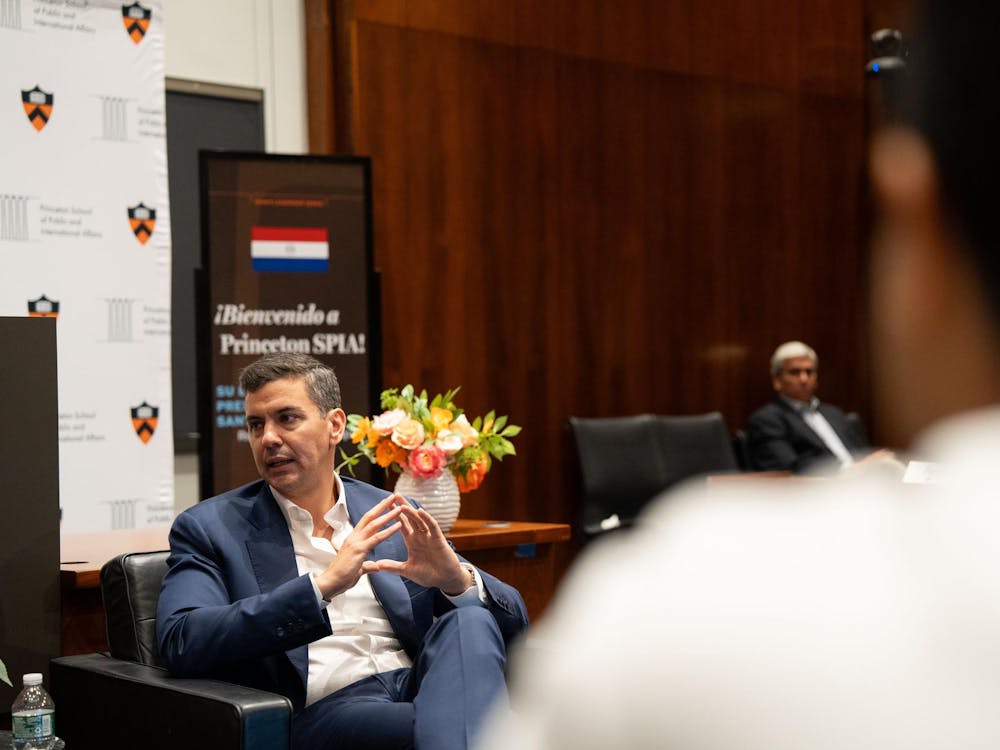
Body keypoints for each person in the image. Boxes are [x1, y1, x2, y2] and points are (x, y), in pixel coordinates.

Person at [476, 1, 1000, 747]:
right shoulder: (768, 440)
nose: (807, 377)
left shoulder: (694, 605)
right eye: (797, 369)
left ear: (914, 217)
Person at [156, 353, 529, 750]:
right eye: (255, 425)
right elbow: (182, 640)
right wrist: (321, 587)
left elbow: (516, 624)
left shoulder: (392, 510)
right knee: (489, 728)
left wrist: (456, 580)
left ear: (334, 425)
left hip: (420, 684)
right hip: (332, 707)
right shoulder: (211, 528)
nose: (268, 438)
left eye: (287, 418)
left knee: (470, 622)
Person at [745, 340, 872, 473]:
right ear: (777, 380)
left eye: (809, 372)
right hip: (818, 489)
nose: (804, 379)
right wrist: (849, 470)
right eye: (794, 372)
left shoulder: (835, 414)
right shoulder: (766, 420)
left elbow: (863, 455)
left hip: (864, 485)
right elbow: (787, 468)